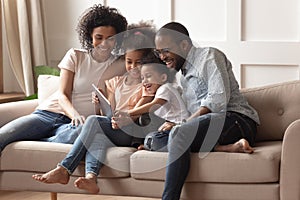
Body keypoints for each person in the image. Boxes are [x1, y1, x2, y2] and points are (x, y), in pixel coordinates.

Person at [32, 23, 157, 194]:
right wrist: (98, 105)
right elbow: (106, 114)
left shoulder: (148, 84)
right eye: (129, 62)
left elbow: (141, 108)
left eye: (139, 63)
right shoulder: (116, 82)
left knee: (92, 121)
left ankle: (64, 169)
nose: (133, 67)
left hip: (130, 132)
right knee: (98, 137)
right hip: (113, 128)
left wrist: (128, 116)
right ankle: (91, 177)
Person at [153, 22, 260, 200]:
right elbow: (195, 119)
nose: (162, 57)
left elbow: (218, 100)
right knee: (154, 139)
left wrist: (183, 127)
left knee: (179, 135)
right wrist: (177, 125)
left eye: (165, 50)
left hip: (236, 119)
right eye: (159, 52)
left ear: (184, 45)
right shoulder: (183, 76)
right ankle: (225, 148)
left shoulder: (209, 56)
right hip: (211, 127)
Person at [0, 4, 128, 150]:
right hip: (48, 115)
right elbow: (63, 94)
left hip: (73, 126)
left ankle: (41, 141)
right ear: (90, 36)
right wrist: (75, 115)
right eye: (99, 37)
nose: (104, 44)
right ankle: (39, 138)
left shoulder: (121, 65)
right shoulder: (76, 55)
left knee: (83, 133)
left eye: (110, 39)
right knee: (3, 135)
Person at [126, 53, 189, 151]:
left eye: (148, 76)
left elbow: (153, 105)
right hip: (168, 129)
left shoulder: (165, 88)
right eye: (142, 78)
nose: (144, 81)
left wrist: (128, 113)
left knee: (154, 139)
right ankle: (148, 143)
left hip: (179, 129)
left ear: (163, 78)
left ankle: (150, 143)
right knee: (146, 122)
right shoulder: (159, 92)